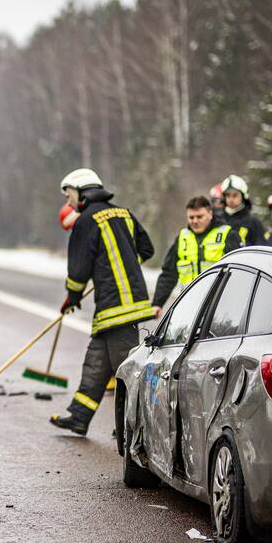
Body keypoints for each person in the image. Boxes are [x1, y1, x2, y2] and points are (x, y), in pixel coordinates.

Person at [49, 168, 155, 436]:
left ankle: (136, 428)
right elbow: (147, 249)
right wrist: (122, 265)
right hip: (121, 306)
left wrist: (72, 296)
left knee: (127, 373)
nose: (69, 202)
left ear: (82, 191)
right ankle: (79, 416)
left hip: (116, 308)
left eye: (70, 195)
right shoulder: (124, 213)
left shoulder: (86, 221)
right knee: (96, 362)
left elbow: (78, 271)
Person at [151, 195, 240, 315]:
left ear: (210, 214)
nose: (195, 221)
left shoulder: (227, 234)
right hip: (188, 304)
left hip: (219, 306)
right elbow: (168, 273)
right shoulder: (182, 238)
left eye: (199, 217)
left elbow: (239, 272)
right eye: (191, 217)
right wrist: (158, 303)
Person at [220, 174, 263, 246]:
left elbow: (261, 249)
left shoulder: (253, 222)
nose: (231, 199)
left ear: (243, 196)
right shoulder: (218, 220)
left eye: (235, 195)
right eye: (228, 195)